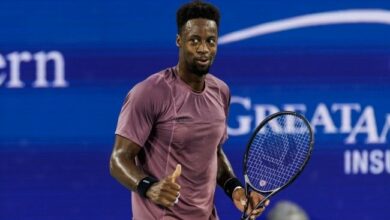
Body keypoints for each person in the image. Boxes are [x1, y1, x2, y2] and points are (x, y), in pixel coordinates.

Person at [110, 1, 269, 219]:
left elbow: (213, 152)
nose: (203, 48)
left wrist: (235, 189)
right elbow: (119, 159)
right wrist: (149, 187)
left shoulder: (221, 91)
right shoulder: (149, 92)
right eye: (195, 40)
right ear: (179, 41)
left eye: (210, 41)